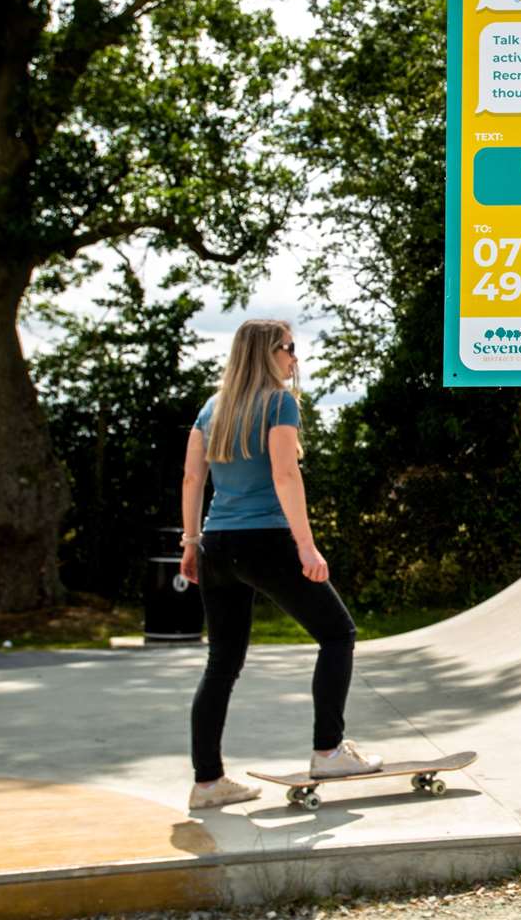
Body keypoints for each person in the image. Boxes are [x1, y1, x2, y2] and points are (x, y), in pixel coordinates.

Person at [179, 319, 381, 809]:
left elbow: (191, 479)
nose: (295, 358)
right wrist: (307, 547)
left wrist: (190, 542)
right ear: (270, 353)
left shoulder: (212, 408)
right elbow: (286, 473)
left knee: (222, 662)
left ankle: (207, 783)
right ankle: (329, 750)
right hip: (265, 540)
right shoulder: (278, 403)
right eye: (290, 348)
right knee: (338, 634)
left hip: (216, 543)